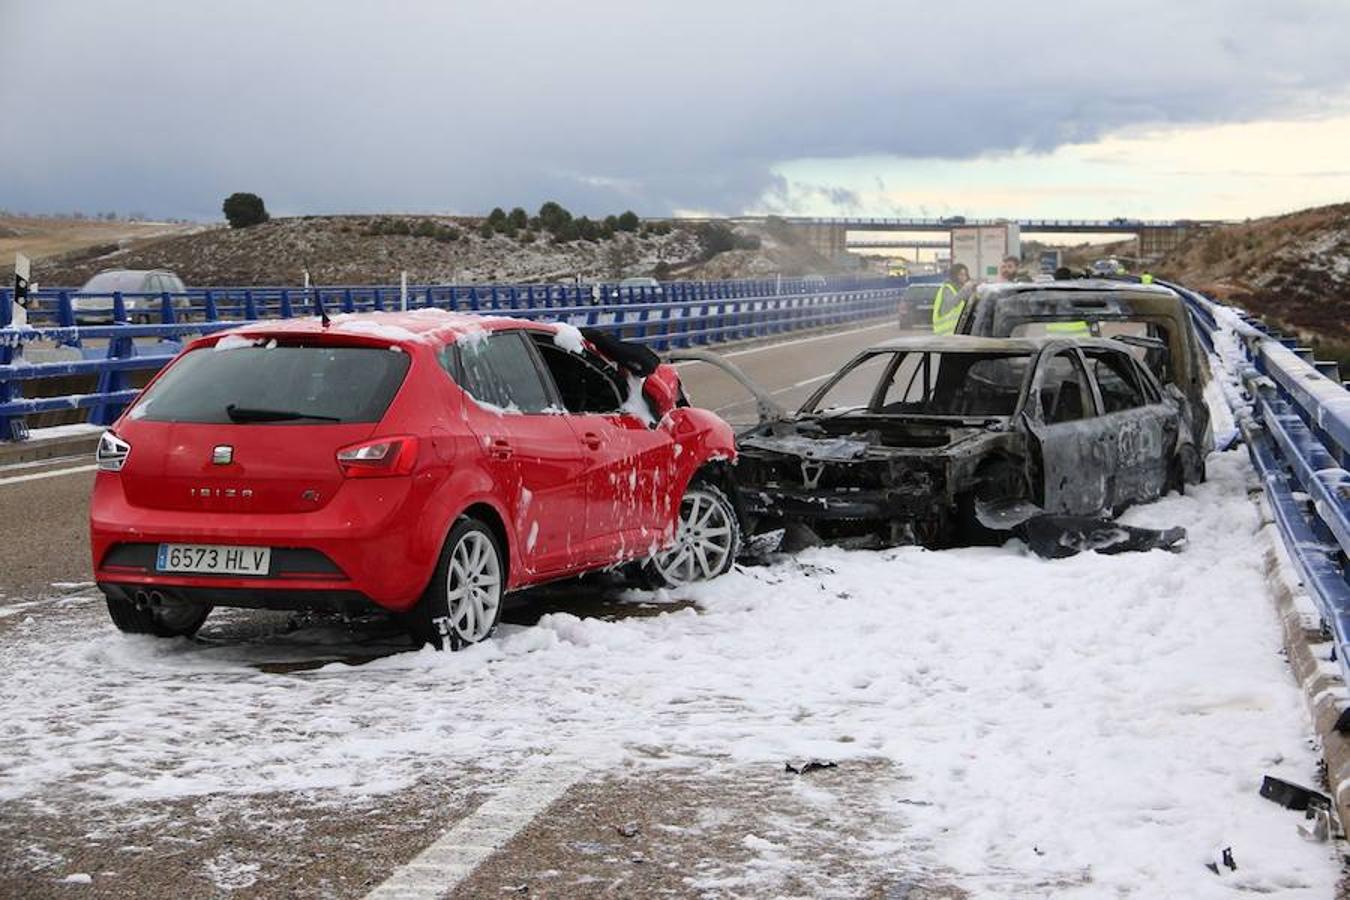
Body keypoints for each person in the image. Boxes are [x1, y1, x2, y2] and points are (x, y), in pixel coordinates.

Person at [931, 263, 970, 334]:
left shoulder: (960, 290)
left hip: (957, 332)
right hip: (945, 333)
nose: (964, 277)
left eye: (965, 275)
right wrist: (964, 289)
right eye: (961, 275)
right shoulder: (947, 289)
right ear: (955, 275)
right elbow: (951, 303)